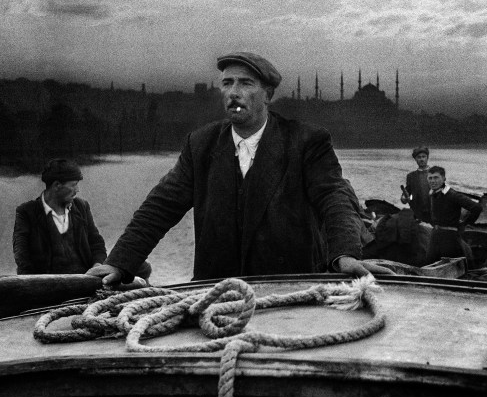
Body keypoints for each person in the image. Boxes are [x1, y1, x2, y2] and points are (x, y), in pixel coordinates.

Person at [88, 52, 390, 286]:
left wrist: (345, 255)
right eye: (227, 83)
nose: (234, 92)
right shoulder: (201, 144)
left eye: (245, 83)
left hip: (291, 293)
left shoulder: (306, 141)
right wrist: (119, 263)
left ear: (267, 95)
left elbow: (335, 198)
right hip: (215, 295)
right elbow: (160, 207)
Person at [13, 159, 107, 275]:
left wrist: (97, 265)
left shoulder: (82, 207)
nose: (78, 190)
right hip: (45, 285)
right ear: (57, 185)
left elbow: (96, 244)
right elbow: (22, 256)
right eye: (73, 185)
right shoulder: (26, 212)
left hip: (84, 281)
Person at [424, 166, 482, 264]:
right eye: (430, 178)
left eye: (436, 177)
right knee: (428, 265)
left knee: (449, 267)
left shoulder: (453, 195)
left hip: (449, 239)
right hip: (435, 236)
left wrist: (465, 224)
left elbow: (477, 208)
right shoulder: (432, 194)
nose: (433, 181)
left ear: (444, 179)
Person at [400, 145, 431, 223]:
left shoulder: (435, 173)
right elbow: (409, 195)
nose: (421, 159)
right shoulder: (411, 176)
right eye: (419, 157)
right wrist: (404, 198)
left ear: (427, 158)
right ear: (415, 159)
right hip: (418, 214)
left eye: (424, 156)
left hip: (435, 213)